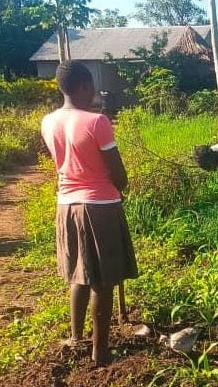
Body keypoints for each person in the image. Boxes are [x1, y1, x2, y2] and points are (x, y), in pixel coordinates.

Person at [41, 61, 138, 366]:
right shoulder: (98, 121)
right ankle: (101, 351)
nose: (94, 93)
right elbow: (117, 173)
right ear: (83, 86)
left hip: (66, 205)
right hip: (100, 208)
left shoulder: (48, 121)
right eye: (92, 87)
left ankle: (75, 337)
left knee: (79, 276)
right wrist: (122, 185)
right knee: (104, 281)